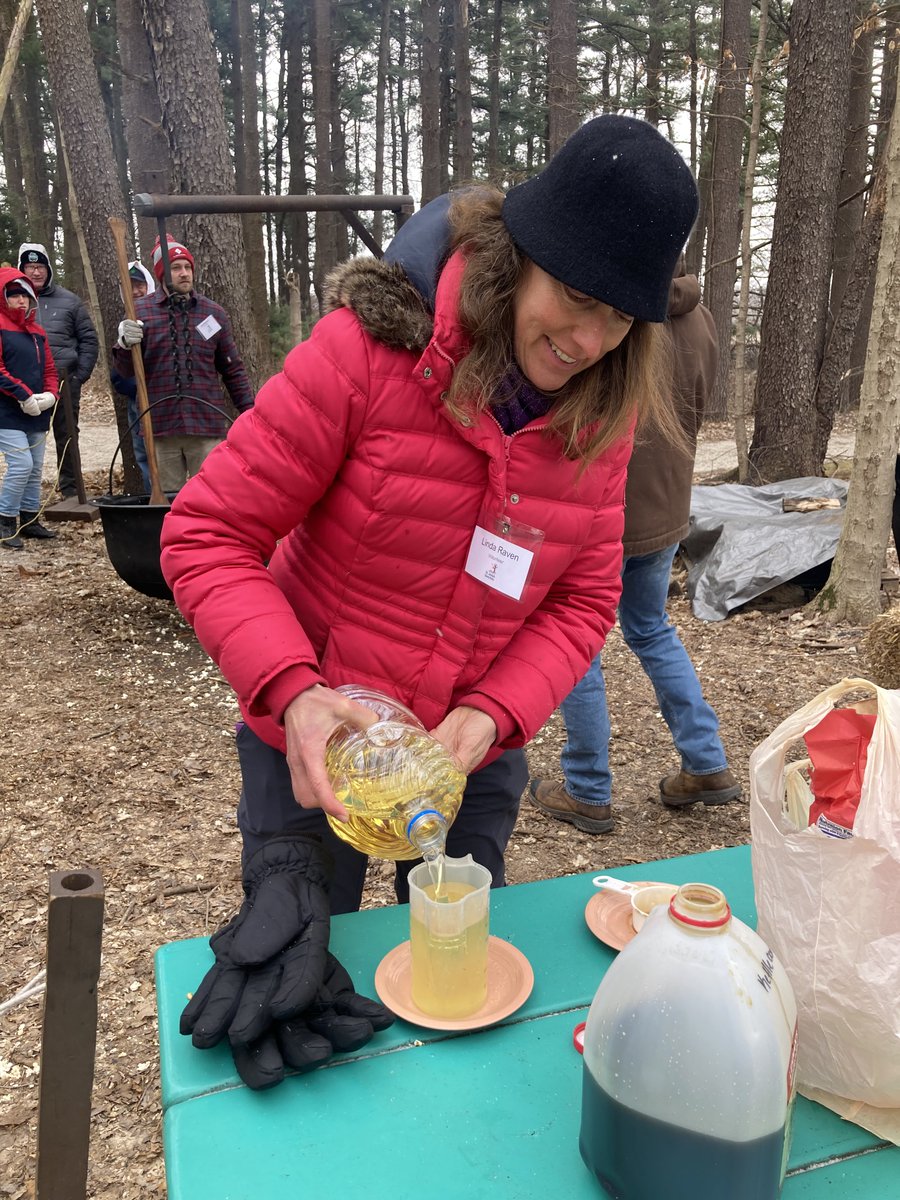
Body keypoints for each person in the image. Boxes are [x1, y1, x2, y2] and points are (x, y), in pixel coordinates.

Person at [159, 115, 700, 1089]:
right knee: (303, 995)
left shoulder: (601, 419)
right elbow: (205, 534)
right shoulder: (366, 357)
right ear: (520, 260)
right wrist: (293, 693)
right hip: (315, 749)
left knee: (446, 996)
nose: (586, 341)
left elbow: (583, 601)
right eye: (574, 298)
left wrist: (491, 715)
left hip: (468, 766)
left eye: (618, 317)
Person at [529, 262, 740, 833]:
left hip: (599, 508)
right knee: (649, 628)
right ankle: (706, 762)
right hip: (666, 508)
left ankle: (587, 788)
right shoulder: (700, 319)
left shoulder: (601, 310)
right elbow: (698, 409)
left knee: (579, 644)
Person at [113, 234, 254, 493]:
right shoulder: (140, 313)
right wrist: (123, 344)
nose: (184, 273)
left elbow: (233, 369)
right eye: (176, 268)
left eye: (187, 267)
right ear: (162, 275)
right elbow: (125, 372)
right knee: (169, 502)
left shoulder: (213, 313)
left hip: (206, 424)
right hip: (160, 426)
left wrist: (249, 411)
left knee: (213, 496)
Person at [17, 243, 99, 499]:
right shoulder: (12, 301)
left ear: (48, 268)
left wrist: (80, 376)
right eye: (30, 267)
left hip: (65, 382)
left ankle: (72, 491)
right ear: (22, 269)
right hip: (26, 386)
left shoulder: (69, 301)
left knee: (67, 436)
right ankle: (27, 495)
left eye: (40, 266)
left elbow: (89, 340)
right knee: (28, 440)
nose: (36, 272)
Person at [0, 270, 59, 548]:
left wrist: (51, 394)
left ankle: (29, 518)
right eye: (14, 295)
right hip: (7, 412)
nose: (21, 301)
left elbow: (49, 368)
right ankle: (5, 519)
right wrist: (24, 396)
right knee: (21, 465)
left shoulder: (37, 331)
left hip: (37, 411)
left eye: (25, 295)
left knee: (35, 468)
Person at [110, 261, 155, 493]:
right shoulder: (124, 324)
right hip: (136, 401)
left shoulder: (159, 318)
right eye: (131, 286)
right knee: (144, 455)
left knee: (164, 456)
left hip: (159, 401)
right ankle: (153, 503)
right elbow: (119, 371)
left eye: (140, 285)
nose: (136, 291)